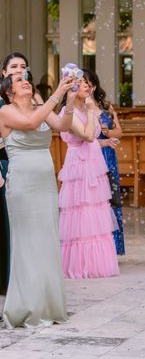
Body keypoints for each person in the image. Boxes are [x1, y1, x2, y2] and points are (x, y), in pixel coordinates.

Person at [0, 73, 76, 327]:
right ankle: (26, 307)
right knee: (28, 243)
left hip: (45, 183)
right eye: (19, 80)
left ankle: (48, 305)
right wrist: (57, 94)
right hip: (22, 183)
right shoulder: (6, 111)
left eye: (27, 79)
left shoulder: (39, 107)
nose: (26, 81)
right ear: (9, 91)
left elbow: (63, 126)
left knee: (46, 240)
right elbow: (32, 123)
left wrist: (70, 100)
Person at [58, 75, 120, 279]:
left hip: (93, 162)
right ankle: (80, 264)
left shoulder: (86, 108)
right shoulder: (69, 112)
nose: (87, 86)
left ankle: (97, 263)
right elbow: (87, 135)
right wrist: (93, 111)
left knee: (96, 209)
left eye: (87, 83)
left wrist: (104, 142)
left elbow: (94, 140)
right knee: (80, 210)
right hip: (78, 165)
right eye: (82, 83)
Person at [0, 52, 44, 294]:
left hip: (29, 171)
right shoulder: (2, 105)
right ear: (4, 73)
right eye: (14, 67)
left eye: (23, 67)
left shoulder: (32, 99)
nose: (19, 70)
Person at [85, 69, 125, 256]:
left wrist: (107, 132)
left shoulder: (106, 107)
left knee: (111, 200)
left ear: (94, 85)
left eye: (89, 83)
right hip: (92, 156)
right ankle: (95, 248)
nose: (87, 87)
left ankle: (112, 247)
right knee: (94, 201)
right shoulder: (80, 108)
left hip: (108, 156)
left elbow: (119, 132)